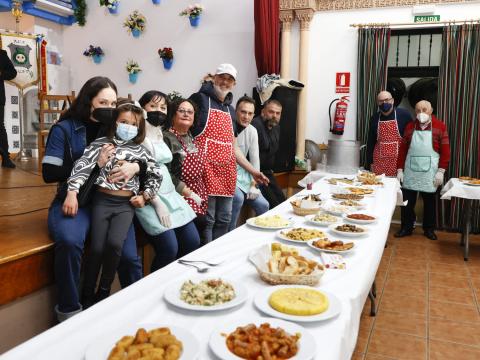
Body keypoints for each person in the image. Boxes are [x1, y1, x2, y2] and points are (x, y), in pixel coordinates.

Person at [42, 77, 143, 322]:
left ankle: (139, 307)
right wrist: (93, 165)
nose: (108, 107)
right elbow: (49, 173)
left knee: (129, 256)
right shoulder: (64, 128)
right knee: (69, 240)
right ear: (89, 101)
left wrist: (135, 166)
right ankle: (70, 312)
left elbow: (143, 152)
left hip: (111, 202)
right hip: (75, 198)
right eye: (102, 102)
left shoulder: (116, 126)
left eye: (112, 102)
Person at [64, 99, 163, 307]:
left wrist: (145, 196)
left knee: (116, 244)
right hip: (102, 201)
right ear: (115, 122)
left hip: (125, 205)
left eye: (134, 124)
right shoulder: (101, 144)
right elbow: (81, 167)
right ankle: (88, 292)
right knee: (98, 248)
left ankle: (104, 290)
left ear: (139, 128)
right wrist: (72, 192)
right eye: (124, 121)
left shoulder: (141, 151)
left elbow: (156, 175)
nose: (129, 127)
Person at [189, 63, 268, 242]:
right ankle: (206, 258)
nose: (225, 82)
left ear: (234, 84)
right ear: (214, 78)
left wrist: (253, 172)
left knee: (224, 219)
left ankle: (219, 255)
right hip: (205, 171)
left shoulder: (230, 110)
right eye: (222, 77)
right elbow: (187, 131)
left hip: (226, 172)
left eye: (229, 79)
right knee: (207, 221)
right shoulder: (200, 99)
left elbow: (234, 147)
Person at [134, 91, 200, 271]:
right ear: (143, 109)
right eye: (153, 106)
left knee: (193, 241)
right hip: (149, 197)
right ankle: (155, 286)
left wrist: (186, 191)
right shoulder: (137, 135)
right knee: (169, 248)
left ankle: (176, 278)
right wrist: (155, 201)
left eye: (163, 107)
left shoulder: (158, 133)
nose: (159, 111)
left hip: (170, 194)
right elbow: (137, 174)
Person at [395, 100, 450, 240]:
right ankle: (406, 227)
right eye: (418, 110)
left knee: (430, 202)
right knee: (407, 202)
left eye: (424, 110)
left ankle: (429, 229)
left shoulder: (440, 126)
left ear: (431, 111)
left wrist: (441, 171)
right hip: (410, 171)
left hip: (430, 172)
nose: (421, 113)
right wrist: (400, 169)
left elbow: (446, 151)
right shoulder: (409, 127)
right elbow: (402, 150)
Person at [163, 99, 208, 242]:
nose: (186, 114)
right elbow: (166, 172)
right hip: (179, 193)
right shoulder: (167, 137)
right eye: (181, 111)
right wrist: (185, 190)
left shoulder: (191, 138)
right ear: (173, 115)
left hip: (198, 190)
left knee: (202, 228)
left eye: (190, 112)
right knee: (195, 233)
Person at [228, 96, 269, 231]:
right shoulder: (228, 126)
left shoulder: (252, 130)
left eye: (250, 113)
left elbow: (255, 160)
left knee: (264, 205)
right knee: (238, 198)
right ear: (236, 112)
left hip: (246, 175)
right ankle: (230, 235)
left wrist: (253, 185)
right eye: (243, 112)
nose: (246, 116)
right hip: (228, 174)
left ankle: (256, 239)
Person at [366, 90, 412, 176]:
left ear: (392, 100)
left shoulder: (404, 115)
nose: (384, 103)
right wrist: (371, 163)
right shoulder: (374, 118)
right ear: (378, 103)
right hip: (379, 163)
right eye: (381, 101)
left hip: (399, 164)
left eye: (387, 100)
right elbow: (371, 142)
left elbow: (411, 140)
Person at [251, 99, 285, 208]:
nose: (274, 116)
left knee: (283, 201)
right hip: (254, 173)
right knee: (274, 204)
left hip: (268, 173)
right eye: (271, 112)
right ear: (263, 112)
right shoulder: (254, 126)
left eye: (278, 113)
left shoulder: (277, 128)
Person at [0, 48, 17, 168]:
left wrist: (1, 74)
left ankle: (6, 158)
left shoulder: (1, 54)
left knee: (0, 128)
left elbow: (12, 72)